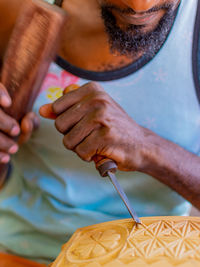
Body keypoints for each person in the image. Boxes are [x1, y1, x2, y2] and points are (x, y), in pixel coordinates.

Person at [0, 0, 200, 263]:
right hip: (24, 252)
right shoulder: (18, 9)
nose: (140, 6)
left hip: (153, 257)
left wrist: (146, 147)